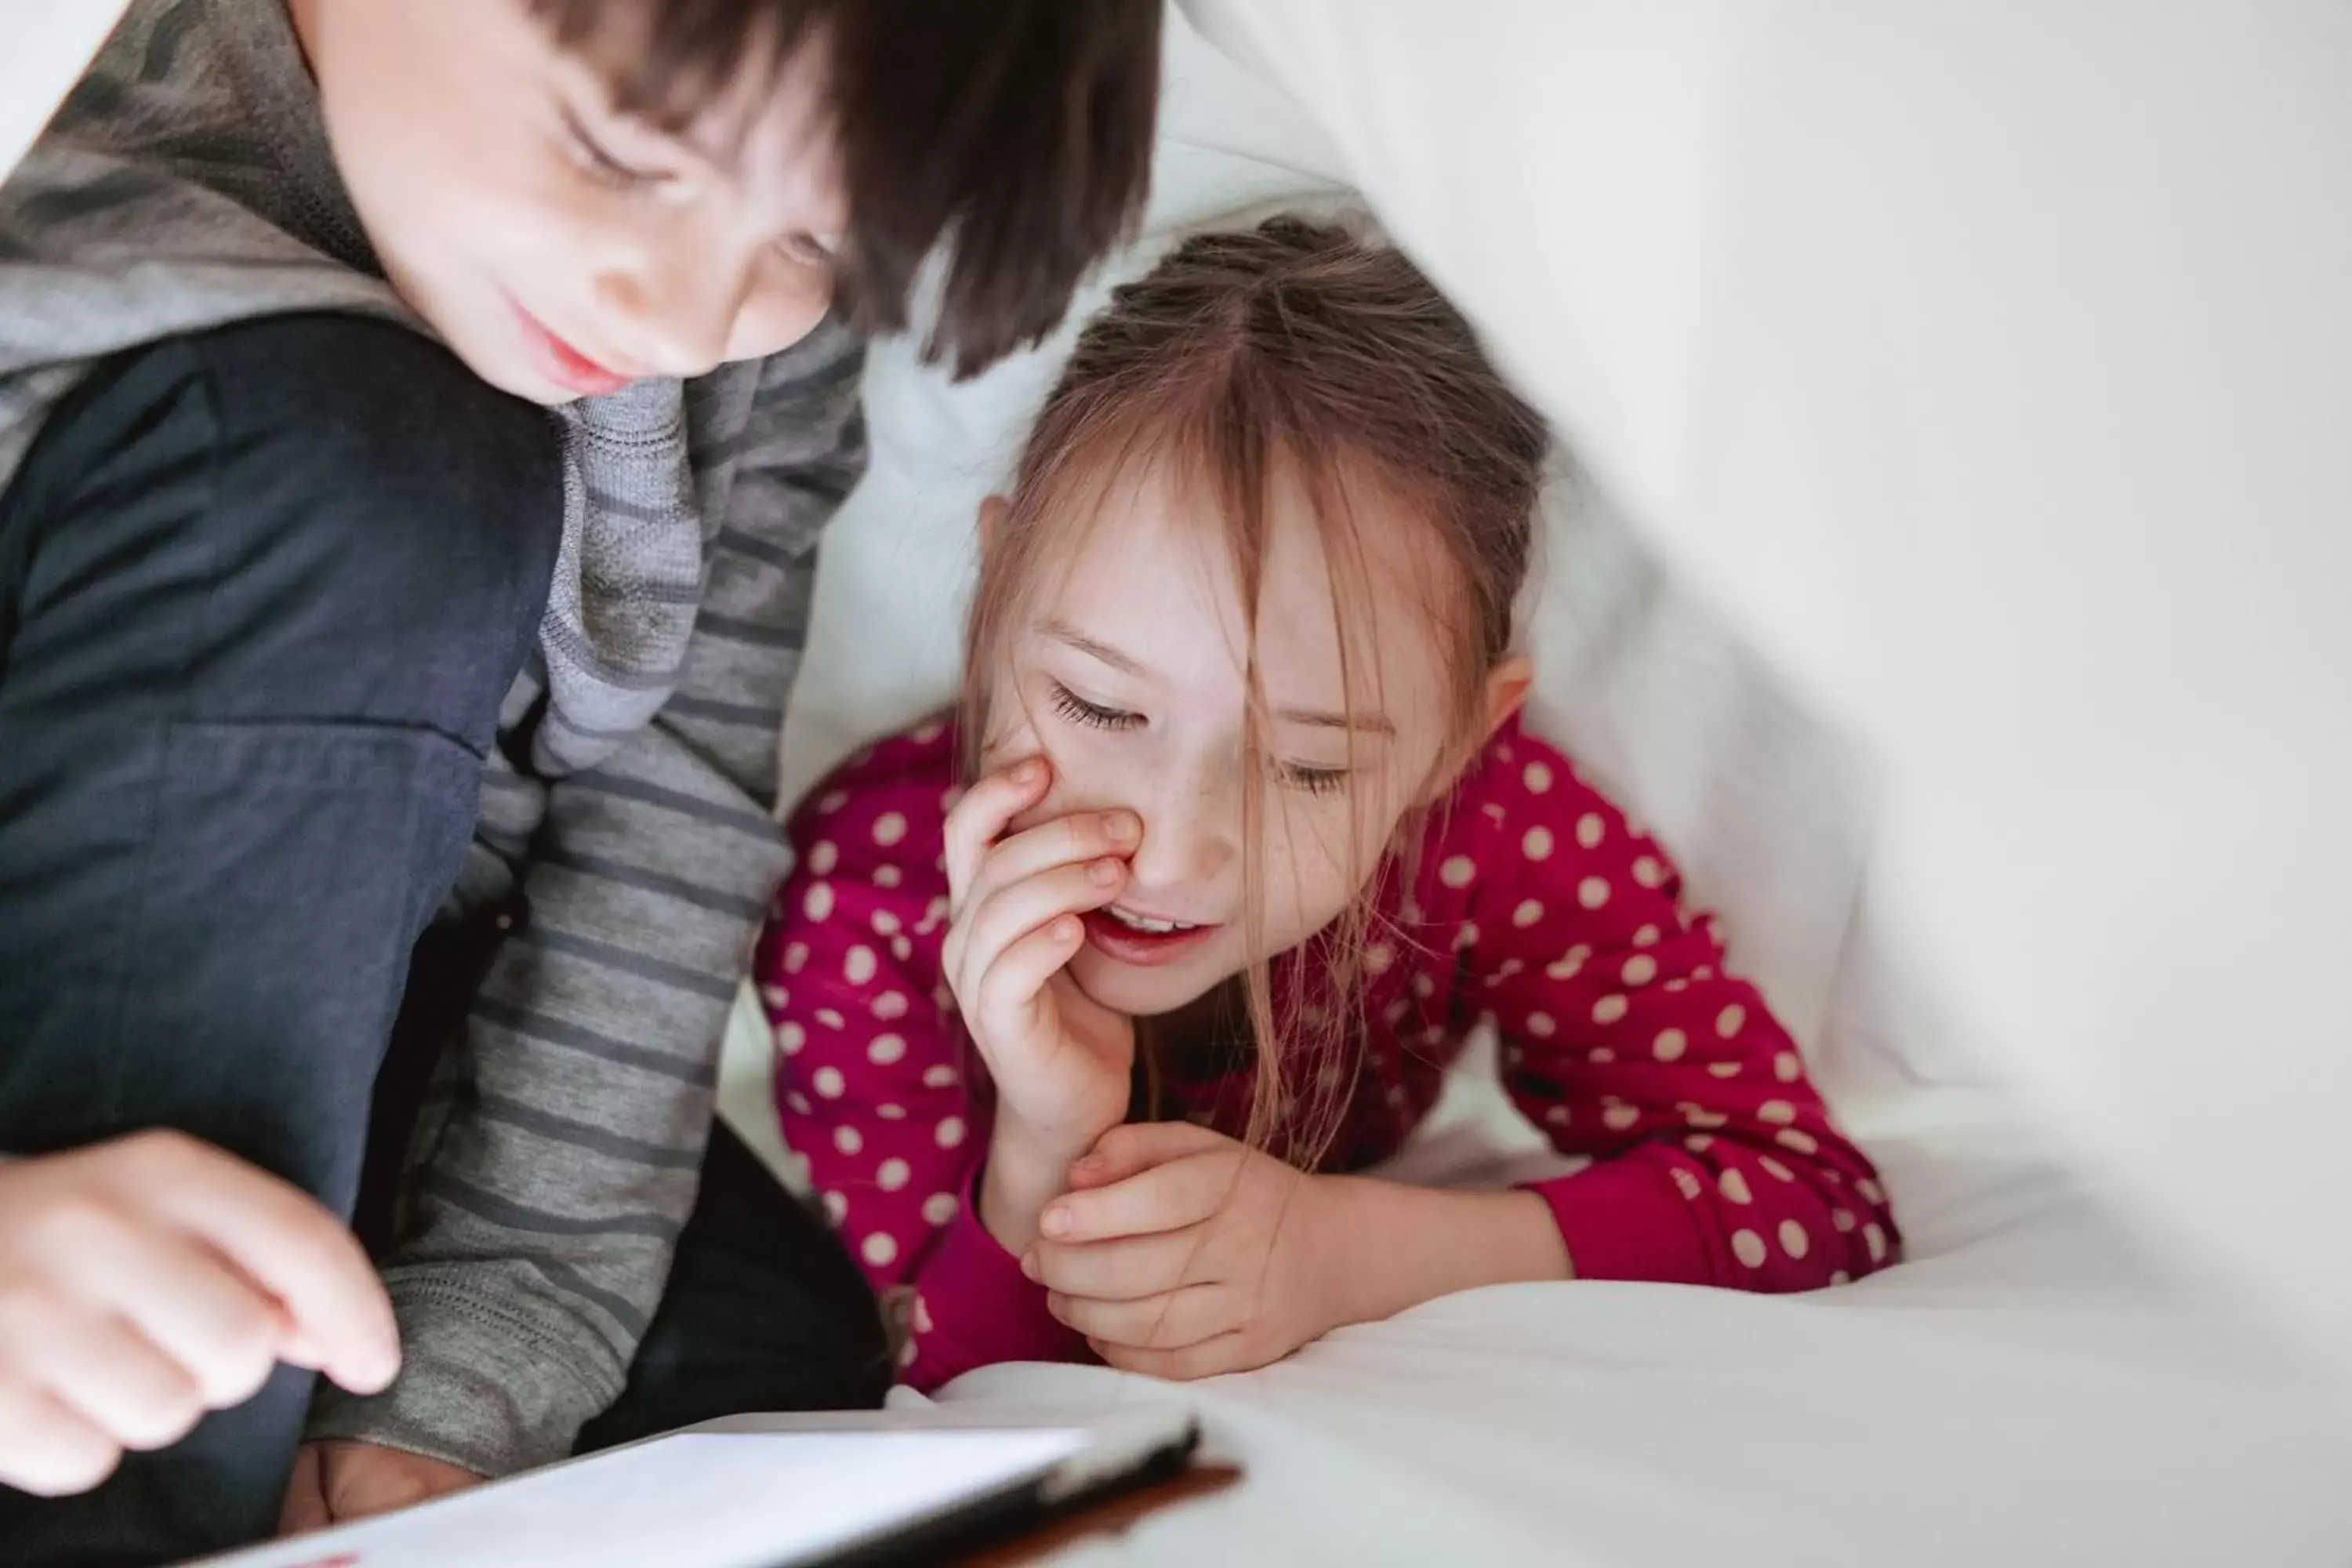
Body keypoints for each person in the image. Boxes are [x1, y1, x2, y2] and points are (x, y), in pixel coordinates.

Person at [0, 0, 1162, 1559]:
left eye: (816, 240)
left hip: (358, 987)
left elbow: (662, 832)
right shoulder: (71, 153)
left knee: (764, 1358)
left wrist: (459, 1389)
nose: (688, 318)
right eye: (623, 154)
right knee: (387, 472)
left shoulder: (752, 360)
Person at [755, 217, 1900, 1390]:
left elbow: (1810, 1202)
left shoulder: (1493, 830)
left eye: (1310, 768)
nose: (1171, 854)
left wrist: (1349, 1250)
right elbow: (939, 1383)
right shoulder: (868, 896)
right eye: (1099, 707)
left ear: (1463, 737)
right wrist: (1047, 1141)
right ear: (994, 592)